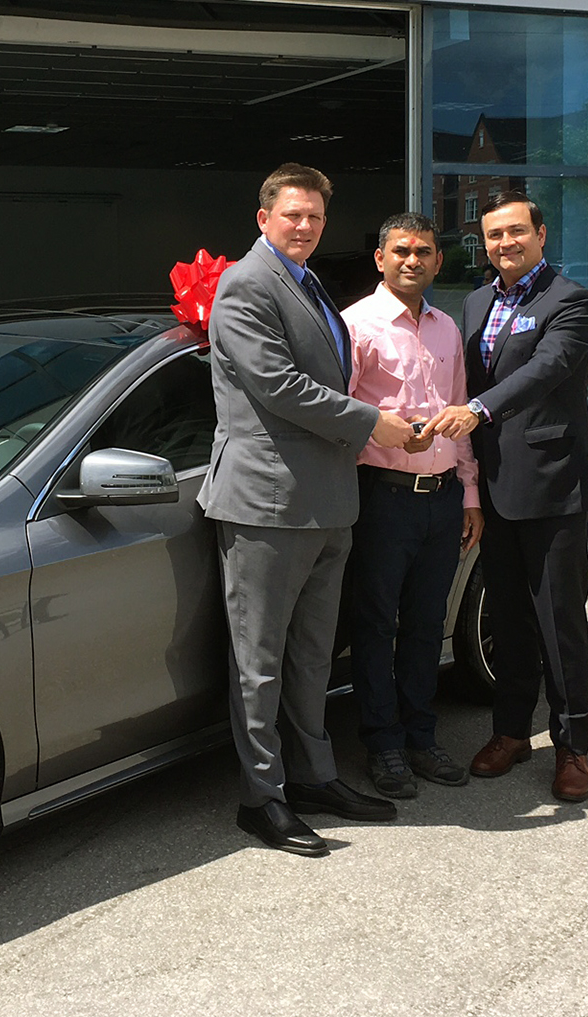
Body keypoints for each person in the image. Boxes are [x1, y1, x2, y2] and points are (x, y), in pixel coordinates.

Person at [199, 163, 414, 856]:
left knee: (313, 657)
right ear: (263, 217)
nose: (305, 226)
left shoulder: (308, 280)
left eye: (316, 217)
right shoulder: (245, 284)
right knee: (258, 662)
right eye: (293, 214)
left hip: (327, 501)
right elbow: (278, 386)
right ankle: (262, 799)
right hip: (265, 502)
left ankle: (315, 775)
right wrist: (371, 423)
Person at [424, 190, 588, 803]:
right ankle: (511, 733)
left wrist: (476, 411)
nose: (503, 243)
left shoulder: (571, 301)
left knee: (558, 622)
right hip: (494, 486)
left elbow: (547, 370)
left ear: (540, 234)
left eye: (515, 232)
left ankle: (572, 747)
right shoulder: (476, 301)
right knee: (505, 620)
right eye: (492, 235)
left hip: (553, 483)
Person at [343, 212, 484, 799]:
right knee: (376, 624)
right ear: (380, 258)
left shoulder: (447, 328)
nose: (412, 259)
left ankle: (422, 737)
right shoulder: (354, 326)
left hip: (443, 499)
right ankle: (383, 744)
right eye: (401, 250)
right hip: (383, 499)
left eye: (424, 251)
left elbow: (462, 414)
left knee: (427, 624)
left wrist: (471, 494)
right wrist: (386, 433)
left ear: (437, 261)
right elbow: (335, 414)